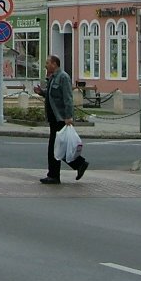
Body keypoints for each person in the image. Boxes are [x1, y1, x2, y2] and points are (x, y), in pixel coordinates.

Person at [33, 54, 88, 184]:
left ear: (54, 64)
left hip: (61, 118)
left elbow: (68, 98)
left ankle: (57, 174)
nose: (45, 65)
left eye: (47, 63)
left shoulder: (63, 77)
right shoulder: (53, 77)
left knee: (56, 147)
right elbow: (52, 95)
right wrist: (41, 92)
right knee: (58, 147)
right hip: (53, 119)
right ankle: (75, 166)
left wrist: (68, 117)